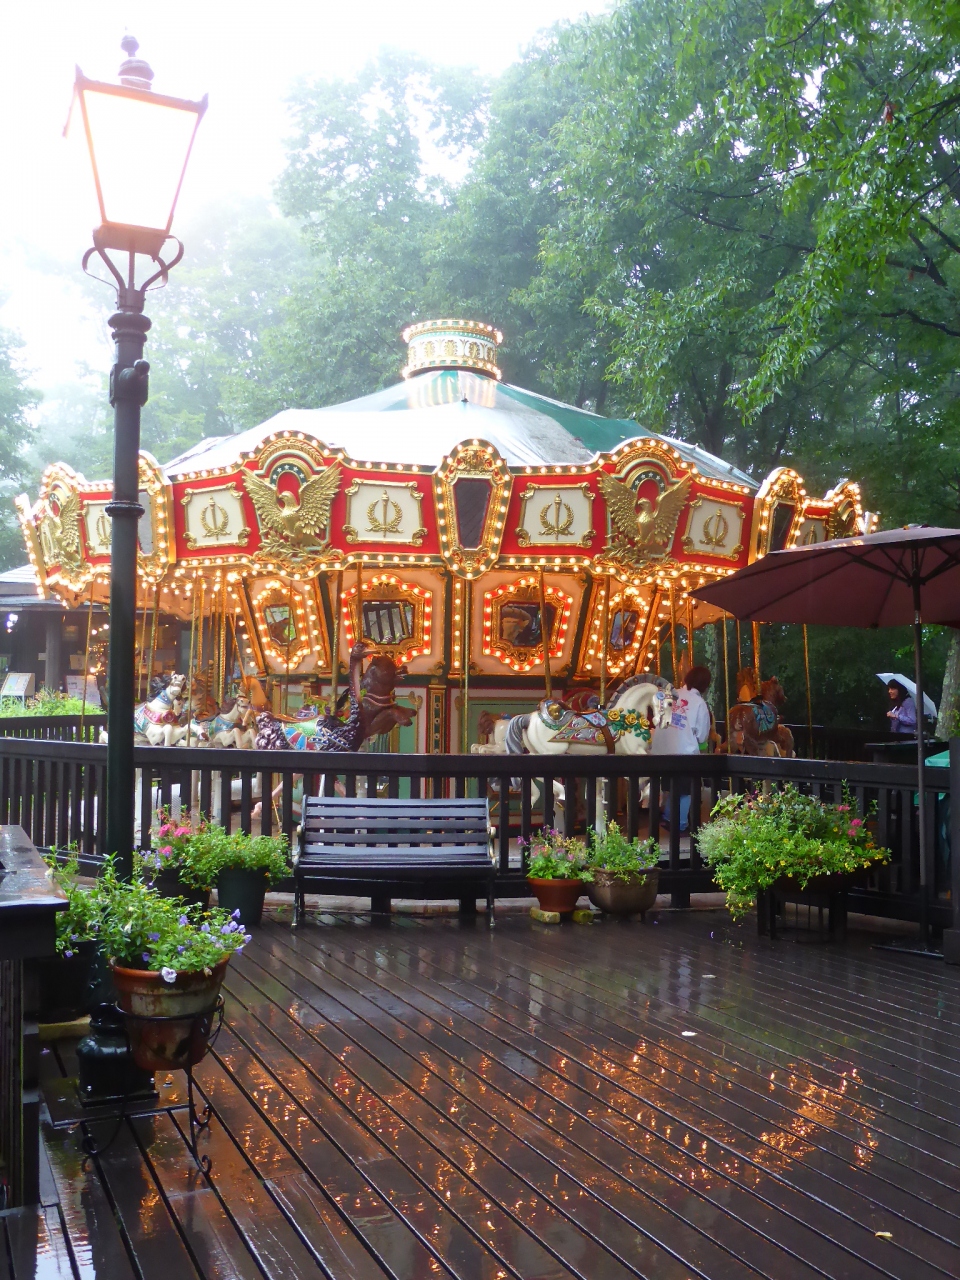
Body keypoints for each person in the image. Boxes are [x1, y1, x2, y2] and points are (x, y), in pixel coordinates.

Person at [652, 665, 712, 832]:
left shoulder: (669, 695)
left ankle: (668, 816)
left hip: (661, 751)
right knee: (686, 789)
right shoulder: (699, 703)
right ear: (705, 685)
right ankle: (680, 823)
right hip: (683, 752)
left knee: (671, 787)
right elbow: (701, 735)